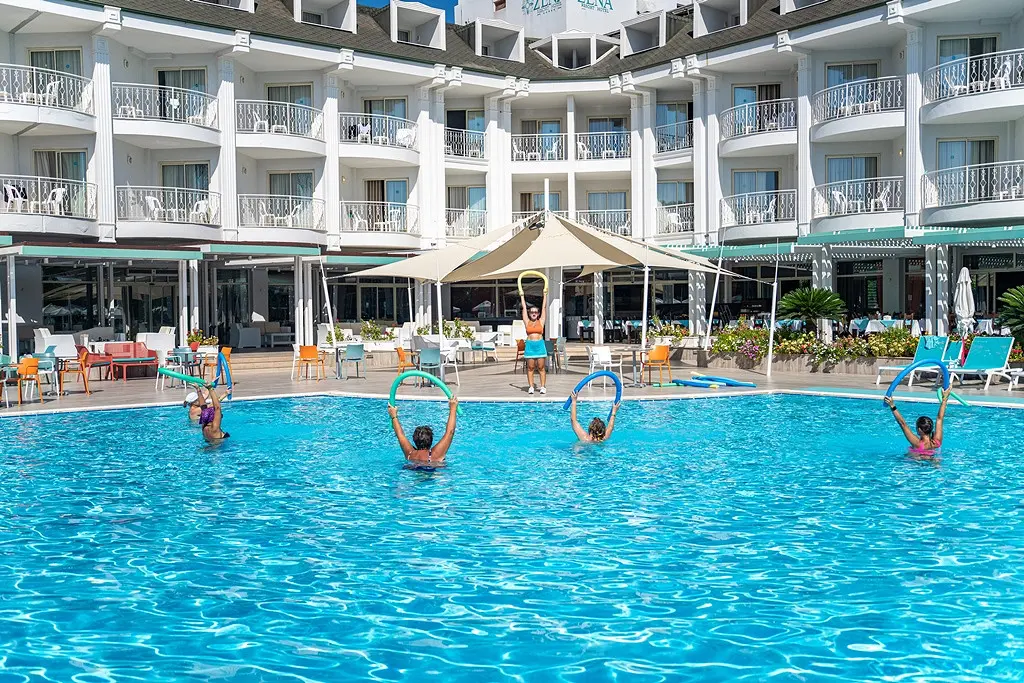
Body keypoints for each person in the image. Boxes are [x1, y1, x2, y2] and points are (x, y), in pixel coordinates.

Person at [388, 396, 458, 466]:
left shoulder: (409, 454)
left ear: (414, 440)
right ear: (431, 440)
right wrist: (453, 408)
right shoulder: (435, 454)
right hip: (433, 470)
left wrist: (394, 416)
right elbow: (450, 432)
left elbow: (400, 435)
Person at [883, 387, 951, 456]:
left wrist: (892, 405)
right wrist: (944, 399)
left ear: (919, 430)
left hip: (918, 460)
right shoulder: (937, 441)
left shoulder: (918, 444)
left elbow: (902, 424)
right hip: (933, 457)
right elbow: (940, 419)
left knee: (912, 454)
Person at [520, 288, 548, 395]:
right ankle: (531, 386)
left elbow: (544, 307)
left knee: (541, 368)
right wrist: (522, 295)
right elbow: (524, 307)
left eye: (536, 312)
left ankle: (543, 387)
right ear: (529, 313)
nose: (534, 313)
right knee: (530, 368)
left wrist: (545, 294)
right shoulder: (527, 322)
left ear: (538, 313)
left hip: (540, 345)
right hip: (530, 346)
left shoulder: (541, 321)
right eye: (532, 312)